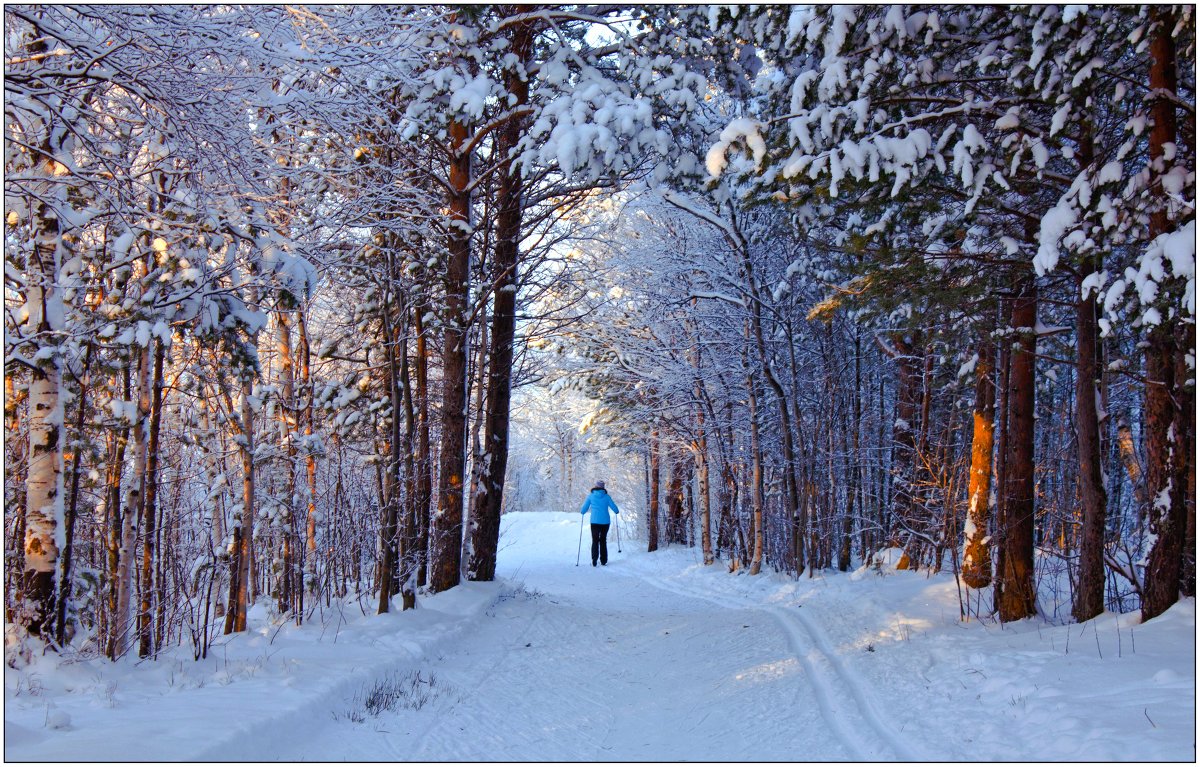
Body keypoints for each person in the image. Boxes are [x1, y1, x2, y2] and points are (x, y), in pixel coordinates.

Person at [579, 480, 620, 566]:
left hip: (594, 522)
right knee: (603, 541)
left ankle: (594, 560)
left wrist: (582, 512)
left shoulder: (591, 496)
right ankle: (603, 561)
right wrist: (616, 511)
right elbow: (615, 509)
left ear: (595, 486)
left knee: (595, 541)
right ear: (603, 487)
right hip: (605, 522)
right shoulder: (607, 497)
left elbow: (583, 510)